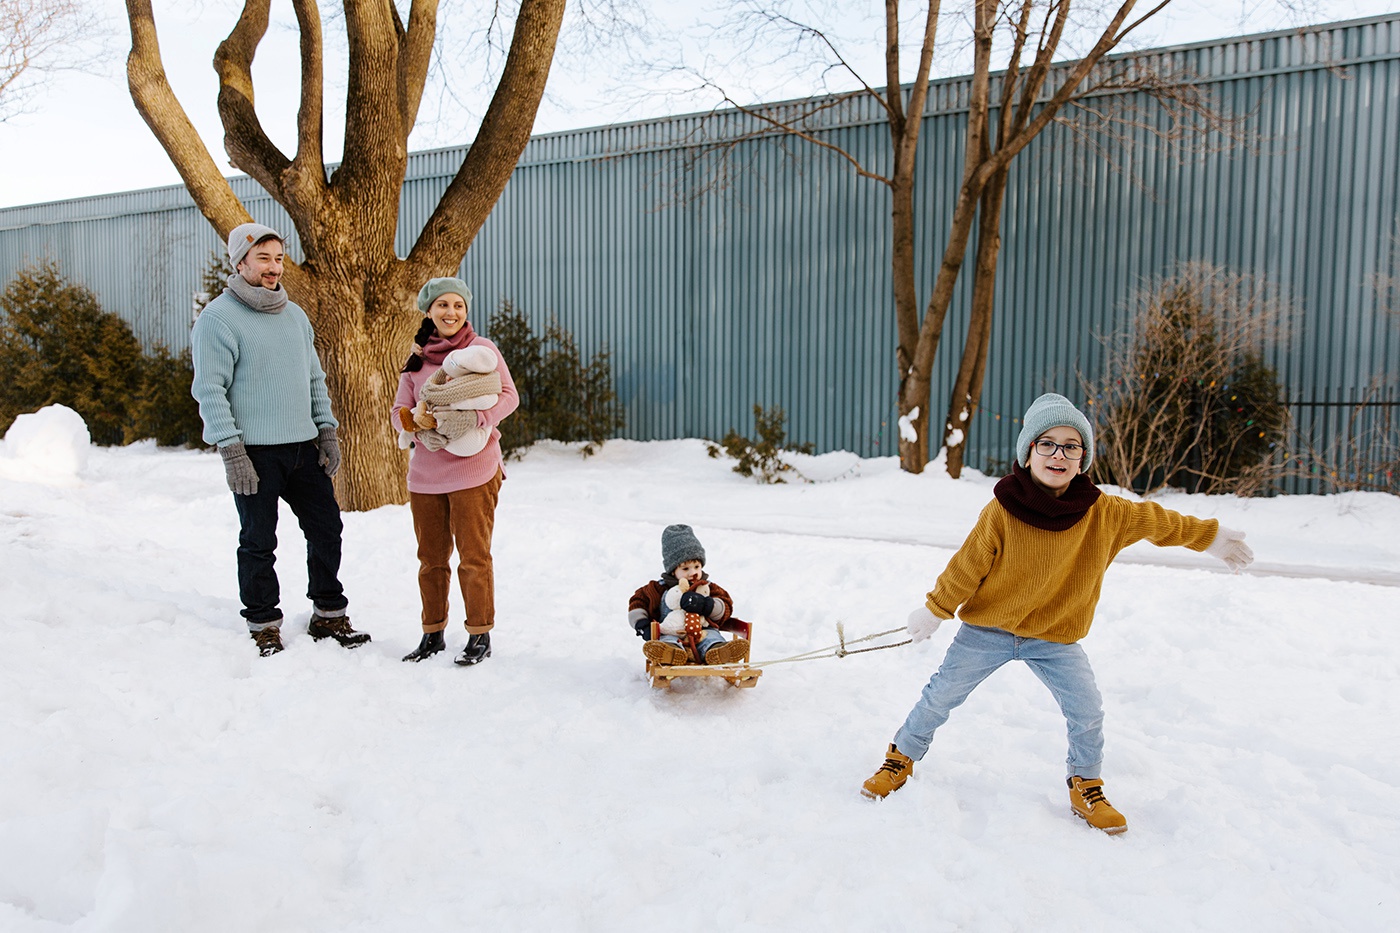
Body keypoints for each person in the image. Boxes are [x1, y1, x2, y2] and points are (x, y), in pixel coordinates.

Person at [859, 393, 1254, 835]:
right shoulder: (1002, 511)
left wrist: (1210, 538)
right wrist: (935, 610)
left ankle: (1086, 783)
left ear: (1083, 457)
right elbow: (967, 566)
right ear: (1028, 453)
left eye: (1071, 445)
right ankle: (900, 758)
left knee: (1087, 710)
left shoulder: (1104, 513)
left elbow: (1159, 521)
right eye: (1047, 443)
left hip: (1055, 636)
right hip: (987, 630)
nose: (1058, 454)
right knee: (941, 695)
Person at [190, 222, 370, 657]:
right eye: (264, 258)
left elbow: (313, 377)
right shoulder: (217, 318)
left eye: (279, 259)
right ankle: (264, 622)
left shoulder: (294, 315)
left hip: (303, 449)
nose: (274, 268)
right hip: (254, 453)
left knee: (327, 529)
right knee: (258, 540)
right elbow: (209, 390)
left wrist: (326, 430)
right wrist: (231, 451)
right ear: (241, 262)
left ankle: (329, 614)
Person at [393, 277, 518, 666]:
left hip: (474, 471)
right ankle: (432, 633)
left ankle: (479, 635)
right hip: (427, 476)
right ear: (428, 311)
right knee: (430, 559)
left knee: (473, 557)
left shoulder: (481, 351)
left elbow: (509, 396)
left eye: (458, 306)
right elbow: (398, 412)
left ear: (466, 310)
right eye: (442, 305)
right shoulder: (416, 359)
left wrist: (479, 418)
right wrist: (413, 422)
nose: (451, 312)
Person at [628, 524, 750, 666]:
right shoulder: (657, 588)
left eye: (697, 567)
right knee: (667, 641)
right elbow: (637, 602)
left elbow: (726, 605)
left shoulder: (708, 587)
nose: (693, 572)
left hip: (703, 632)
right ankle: (669, 654)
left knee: (712, 637)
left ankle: (719, 652)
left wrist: (707, 605)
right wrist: (642, 624)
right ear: (673, 571)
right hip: (671, 633)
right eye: (686, 568)